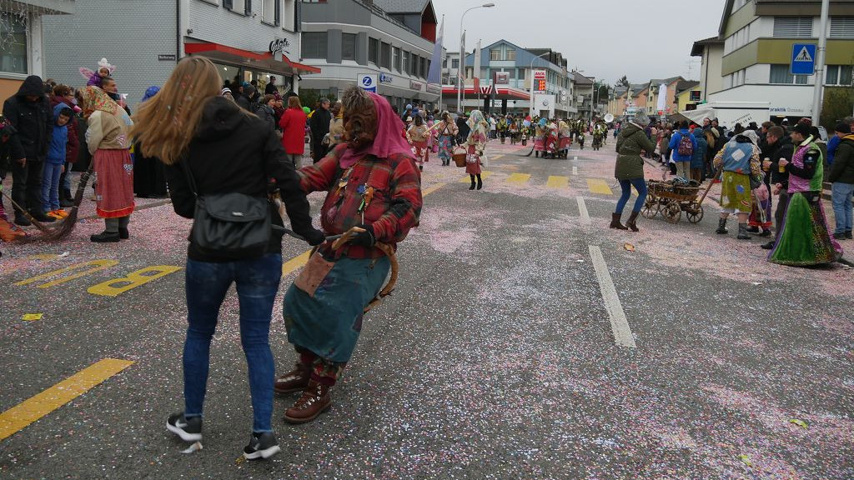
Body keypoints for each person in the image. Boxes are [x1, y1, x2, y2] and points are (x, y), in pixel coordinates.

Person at [131, 57, 323, 460]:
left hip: (209, 248)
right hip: (261, 244)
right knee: (256, 340)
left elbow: (184, 206)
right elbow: (289, 183)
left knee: (200, 332)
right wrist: (307, 231)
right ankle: (263, 434)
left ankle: (192, 420)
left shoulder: (178, 135)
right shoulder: (257, 126)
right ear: (218, 85)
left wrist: (214, 203)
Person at [276, 86, 422, 424]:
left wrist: (375, 229)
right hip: (330, 249)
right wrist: (272, 180)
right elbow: (311, 176)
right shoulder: (344, 152)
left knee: (337, 314)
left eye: (360, 121)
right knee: (297, 302)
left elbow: (410, 207)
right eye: (350, 120)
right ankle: (307, 366)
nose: (353, 128)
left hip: (366, 256)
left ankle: (320, 386)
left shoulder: (400, 162)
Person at [767, 123, 843, 265]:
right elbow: (798, 173)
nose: (790, 135)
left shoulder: (811, 151)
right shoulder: (801, 148)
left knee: (801, 226)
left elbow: (808, 174)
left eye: (793, 133)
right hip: (799, 191)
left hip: (805, 193)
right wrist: (784, 184)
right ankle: (812, 255)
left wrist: (787, 165)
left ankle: (804, 255)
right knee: (806, 225)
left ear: (799, 134)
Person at [79, 86, 135, 242]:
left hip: (108, 154)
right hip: (124, 154)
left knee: (109, 189)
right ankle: (122, 227)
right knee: (123, 190)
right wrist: (124, 143)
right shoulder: (119, 109)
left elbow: (93, 139)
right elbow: (131, 126)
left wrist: (94, 151)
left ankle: (111, 231)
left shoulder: (98, 115)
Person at [3, 75, 54, 225]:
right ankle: (20, 212)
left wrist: (45, 145)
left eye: (36, 96)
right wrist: (19, 153)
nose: (33, 98)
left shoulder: (44, 102)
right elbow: (11, 131)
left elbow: (49, 125)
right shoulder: (12, 103)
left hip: (39, 150)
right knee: (20, 183)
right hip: (22, 150)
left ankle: (36, 210)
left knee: (36, 182)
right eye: (31, 96)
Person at [713, 130, 763, 240]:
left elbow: (716, 160)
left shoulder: (728, 145)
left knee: (727, 200)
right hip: (742, 178)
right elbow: (755, 167)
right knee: (743, 202)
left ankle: (721, 226)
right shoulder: (752, 148)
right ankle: (742, 232)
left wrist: (724, 166)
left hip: (727, 176)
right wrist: (758, 176)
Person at [612, 111, 655, 232]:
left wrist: (633, 149)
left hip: (621, 164)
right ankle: (631, 221)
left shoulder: (623, 131)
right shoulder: (639, 133)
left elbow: (618, 148)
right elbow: (651, 148)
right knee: (643, 192)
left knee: (625, 193)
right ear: (643, 123)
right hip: (633, 166)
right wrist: (654, 135)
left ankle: (615, 221)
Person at [760, 126, 794, 250]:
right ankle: (780, 240)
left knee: (781, 214)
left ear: (774, 137)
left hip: (791, 186)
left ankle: (779, 241)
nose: (766, 140)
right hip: (786, 184)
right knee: (780, 213)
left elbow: (786, 168)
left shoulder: (785, 148)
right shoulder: (780, 146)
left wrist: (771, 165)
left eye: (768, 137)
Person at [133, 86, 168, 199]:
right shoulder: (156, 107)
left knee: (144, 166)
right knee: (156, 166)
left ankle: (143, 190)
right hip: (154, 139)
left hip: (141, 139)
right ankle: (157, 191)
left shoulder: (142, 107)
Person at [41, 104, 73, 219]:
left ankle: (55, 206)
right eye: (61, 117)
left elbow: (63, 146)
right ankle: (46, 207)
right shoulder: (49, 127)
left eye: (66, 119)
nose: (62, 120)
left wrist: (63, 162)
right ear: (56, 114)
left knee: (55, 185)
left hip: (58, 161)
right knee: (46, 184)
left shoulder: (64, 129)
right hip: (48, 160)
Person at [50, 85, 80, 207]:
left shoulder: (59, 104)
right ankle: (59, 199)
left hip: (63, 148)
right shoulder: (63, 107)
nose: (73, 98)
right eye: (71, 95)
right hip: (63, 148)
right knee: (60, 176)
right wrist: (75, 142)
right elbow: (69, 128)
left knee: (62, 175)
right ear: (64, 95)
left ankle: (61, 197)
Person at [828, 122, 853, 240]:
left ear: (842, 132)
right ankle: (848, 230)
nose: (836, 135)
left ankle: (840, 231)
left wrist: (832, 177)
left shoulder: (844, 145)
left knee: (838, 205)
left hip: (841, 179)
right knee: (848, 205)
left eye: (837, 133)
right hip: (851, 180)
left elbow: (838, 163)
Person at [278, 96, 307, 168]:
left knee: (288, 160)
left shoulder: (288, 112)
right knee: (298, 160)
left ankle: (289, 173)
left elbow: (282, 124)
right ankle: (300, 173)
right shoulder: (303, 113)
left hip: (289, 138)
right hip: (299, 138)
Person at [465, 110, 488, 190]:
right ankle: (473, 182)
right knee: (470, 164)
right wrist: (464, 145)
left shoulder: (480, 126)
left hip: (476, 148)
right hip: (471, 147)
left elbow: (482, 139)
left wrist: (478, 150)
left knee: (475, 165)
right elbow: (469, 138)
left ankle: (479, 180)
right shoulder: (473, 126)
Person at [309, 98, 332, 162]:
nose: (328, 106)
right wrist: (317, 137)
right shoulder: (316, 113)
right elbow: (313, 126)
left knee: (325, 157)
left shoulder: (328, 113)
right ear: (323, 104)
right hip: (318, 140)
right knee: (318, 157)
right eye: (327, 104)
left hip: (326, 138)